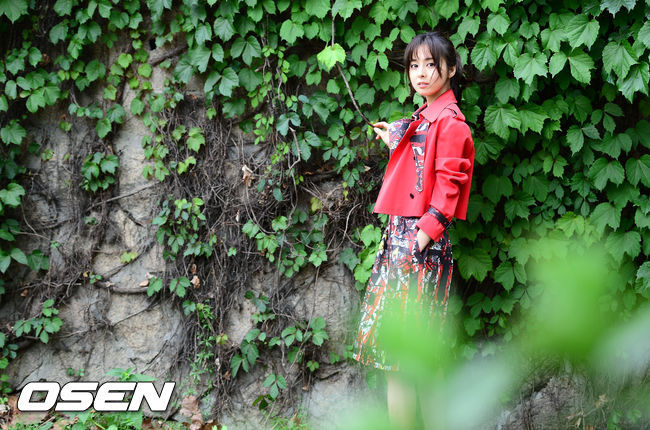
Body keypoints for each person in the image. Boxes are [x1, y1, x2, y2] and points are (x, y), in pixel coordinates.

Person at [351, 31, 475, 429]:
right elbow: (422, 163)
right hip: (401, 244)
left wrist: (418, 242)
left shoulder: (450, 122)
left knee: (410, 362)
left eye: (431, 65)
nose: (420, 73)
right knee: (403, 360)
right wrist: (396, 136)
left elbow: (448, 189)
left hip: (418, 247)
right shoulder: (426, 116)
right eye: (414, 65)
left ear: (451, 69)